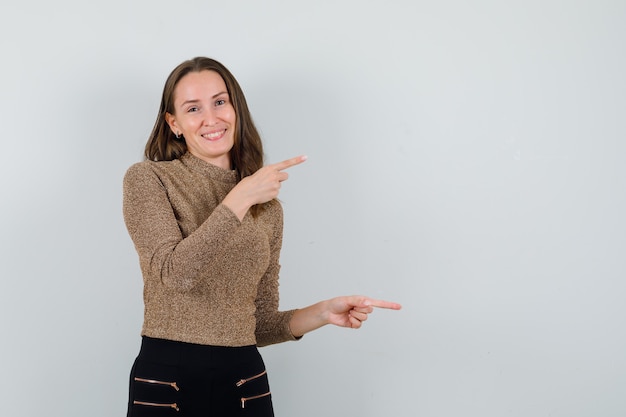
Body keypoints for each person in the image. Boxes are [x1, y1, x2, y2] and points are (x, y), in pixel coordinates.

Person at [123, 56, 401, 416]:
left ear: (236, 109)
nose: (211, 118)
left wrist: (321, 313)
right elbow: (176, 274)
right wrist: (239, 198)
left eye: (220, 102)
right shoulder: (148, 180)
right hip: (168, 378)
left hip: (243, 380)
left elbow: (257, 323)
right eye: (193, 108)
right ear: (174, 123)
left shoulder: (268, 210)